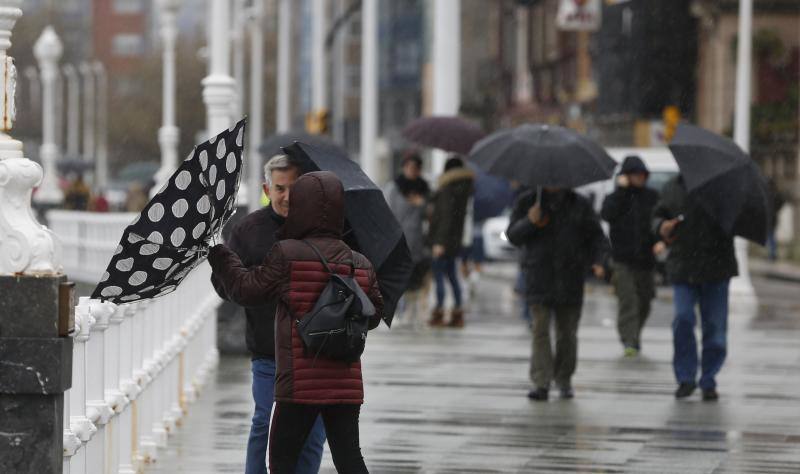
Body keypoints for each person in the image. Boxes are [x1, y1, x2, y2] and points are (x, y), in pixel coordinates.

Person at [209, 171, 384, 474]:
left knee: (282, 461)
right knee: (349, 459)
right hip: (345, 384)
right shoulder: (359, 261)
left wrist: (222, 255)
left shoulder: (287, 254)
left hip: (299, 385)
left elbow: (246, 289)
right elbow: (374, 315)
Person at [210, 154, 326, 474]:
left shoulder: (320, 228)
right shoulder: (248, 230)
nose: (287, 196)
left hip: (314, 349)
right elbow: (223, 285)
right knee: (265, 423)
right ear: (266, 188)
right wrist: (258, 283)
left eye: (294, 188)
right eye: (279, 188)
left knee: (314, 431)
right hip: (268, 349)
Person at [507, 187, 608, 401]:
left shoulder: (579, 204)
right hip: (538, 275)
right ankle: (541, 381)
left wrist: (599, 261)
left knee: (567, 333)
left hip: (570, 277)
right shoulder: (528, 201)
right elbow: (513, 236)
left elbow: (596, 237)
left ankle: (564, 379)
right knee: (540, 330)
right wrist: (530, 221)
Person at [652, 175, 737, 401]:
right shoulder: (672, 187)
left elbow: (736, 221)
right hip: (683, 267)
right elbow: (658, 216)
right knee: (683, 318)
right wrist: (662, 227)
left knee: (716, 329)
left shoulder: (723, 189)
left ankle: (708, 379)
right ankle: (686, 377)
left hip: (717, 267)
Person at [601, 156, 660, 357]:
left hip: (646, 260)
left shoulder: (652, 197)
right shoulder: (616, 198)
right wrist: (621, 191)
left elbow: (659, 220)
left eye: (642, 174)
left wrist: (660, 242)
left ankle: (634, 334)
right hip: (622, 260)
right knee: (628, 301)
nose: (639, 178)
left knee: (645, 301)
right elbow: (607, 213)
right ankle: (629, 340)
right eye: (635, 174)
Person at [383, 151, 431, 328]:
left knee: (414, 281)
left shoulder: (424, 188)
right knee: (397, 280)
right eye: (409, 167)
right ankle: (396, 313)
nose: (412, 171)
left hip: (417, 243)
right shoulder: (394, 187)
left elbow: (430, 214)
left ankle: (412, 312)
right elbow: (386, 212)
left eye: (416, 168)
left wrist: (422, 204)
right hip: (397, 241)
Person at [427, 156, 475, 328]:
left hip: (442, 241)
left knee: (439, 276)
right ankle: (457, 312)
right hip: (455, 241)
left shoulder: (447, 189)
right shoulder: (464, 189)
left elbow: (445, 218)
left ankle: (439, 312)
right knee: (453, 277)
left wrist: (439, 242)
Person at [766, 178, 785, 261]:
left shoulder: (769, 194)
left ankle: (772, 253)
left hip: (770, 218)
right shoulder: (775, 194)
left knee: (770, 236)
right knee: (771, 236)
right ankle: (772, 253)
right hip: (772, 218)